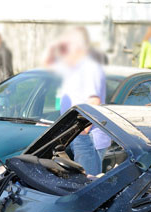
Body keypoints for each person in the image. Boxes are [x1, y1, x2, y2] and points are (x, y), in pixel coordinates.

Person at [45, 27, 109, 175]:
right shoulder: (74, 68)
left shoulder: (90, 67)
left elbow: (94, 101)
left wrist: (81, 131)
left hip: (87, 136)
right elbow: (48, 64)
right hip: (75, 133)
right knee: (77, 183)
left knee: (87, 183)